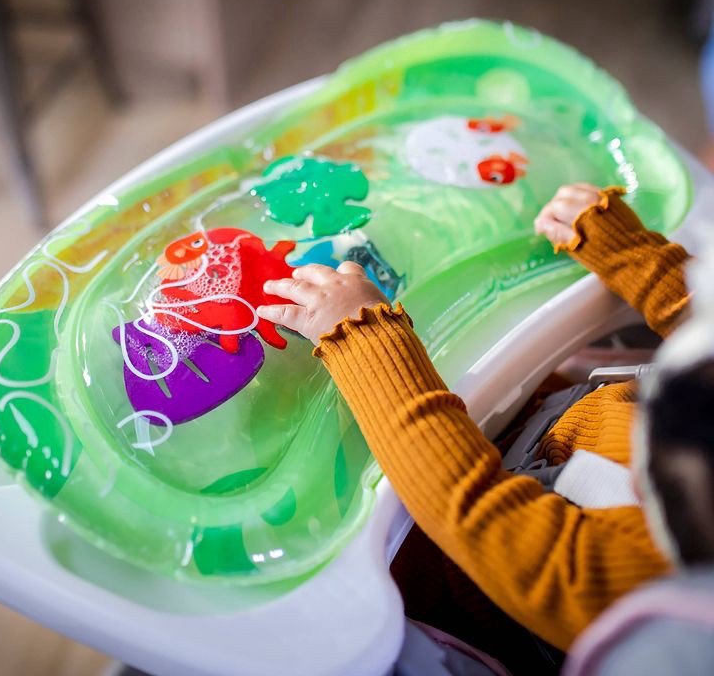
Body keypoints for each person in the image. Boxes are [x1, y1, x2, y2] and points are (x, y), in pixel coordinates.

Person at [256, 183, 690, 660]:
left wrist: (360, 333)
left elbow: (469, 504)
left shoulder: (648, 590)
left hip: (457, 551)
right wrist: (634, 254)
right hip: (575, 417)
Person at [562, 246, 714, 675]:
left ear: (642, 490)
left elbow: (468, 502)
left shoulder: (614, 570)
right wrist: (615, 245)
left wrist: (367, 329)